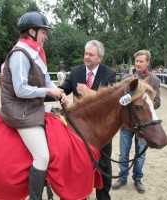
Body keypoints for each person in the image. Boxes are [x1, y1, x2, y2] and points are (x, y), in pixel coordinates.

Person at [0, 11, 68, 199]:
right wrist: (48, 92)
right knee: (43, 156)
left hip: (32, 107)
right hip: (19, 111)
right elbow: (20, 90)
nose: (46, 36)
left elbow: (46, 81)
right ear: (32, 31)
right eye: (44, 32)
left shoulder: (36, 53)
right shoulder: (20, 54)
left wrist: (59, 93)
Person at [59, 40, 116, 200]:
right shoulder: (76, 72)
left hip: (101, 130)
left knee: (103, 164)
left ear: (100, 57)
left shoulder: (109, 74)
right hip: (79, 130)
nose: (87, 57)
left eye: (91, 54)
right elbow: (62, 90)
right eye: (85, 53)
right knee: (79, 164)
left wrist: (90, 93)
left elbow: (112, 101)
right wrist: (42, 93)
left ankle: (103, 196)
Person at [112, 50, 161, 194]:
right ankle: (122, 177)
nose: (138, 64)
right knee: (123, 153)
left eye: (141, 61)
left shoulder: (154, 80)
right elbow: (118, 99)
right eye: (137, 61)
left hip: (143, 123)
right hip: (127, 123)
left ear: (147, 63)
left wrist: (144, 104)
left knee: (140, 154)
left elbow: (157, 102)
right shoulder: (126, 78)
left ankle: (137, 179)